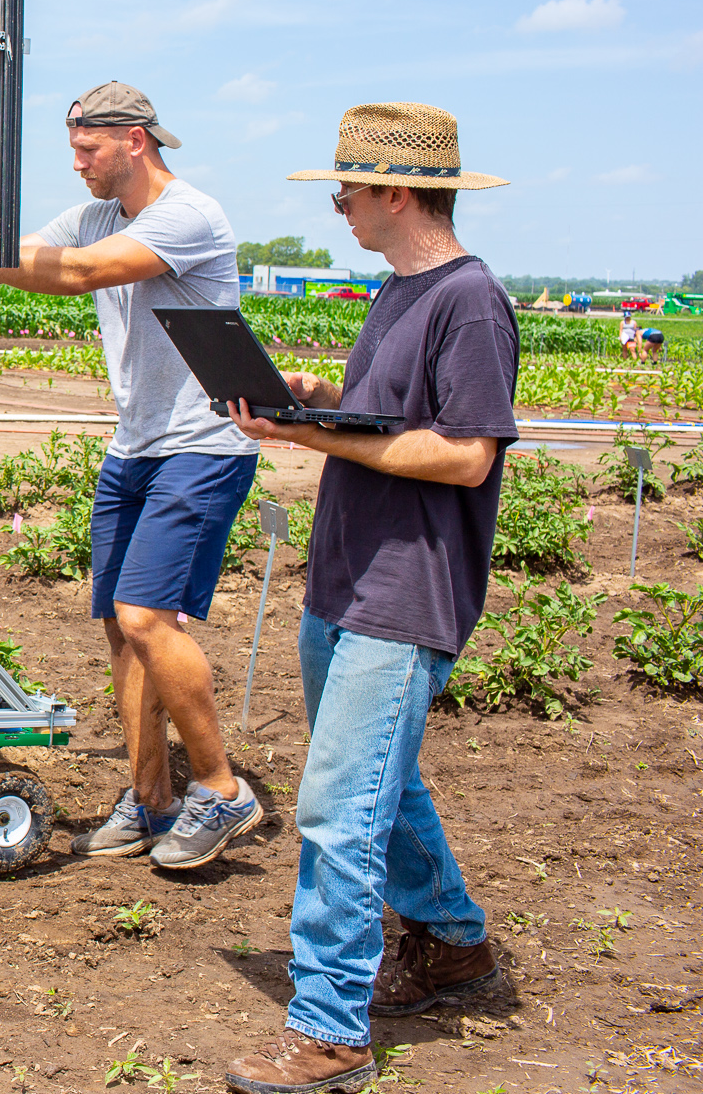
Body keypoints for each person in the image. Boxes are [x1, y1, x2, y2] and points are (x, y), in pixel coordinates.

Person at [0, 81, 264, 869]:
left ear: (135, 140)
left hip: (201, 444)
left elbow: (83, 273)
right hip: (136, 446)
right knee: (121, 632)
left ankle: (223, 789)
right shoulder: (97, 214)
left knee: (145, 619)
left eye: (87, 149)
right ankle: (152, 800)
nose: (77, 165)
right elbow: (8, 267)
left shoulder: (188, 216)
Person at [220, 103, 513, 1094]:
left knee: (336, 810)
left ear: (395, 191)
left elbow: (466, 455)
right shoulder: (395, 294)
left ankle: (329, 1028)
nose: (335, 202)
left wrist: (312, 435)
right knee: (381, 788)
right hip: (344, 576)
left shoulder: (466, 300)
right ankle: (451, 942)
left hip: (404, 588)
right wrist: (308, 400)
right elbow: (391, 422)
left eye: (345, 187)